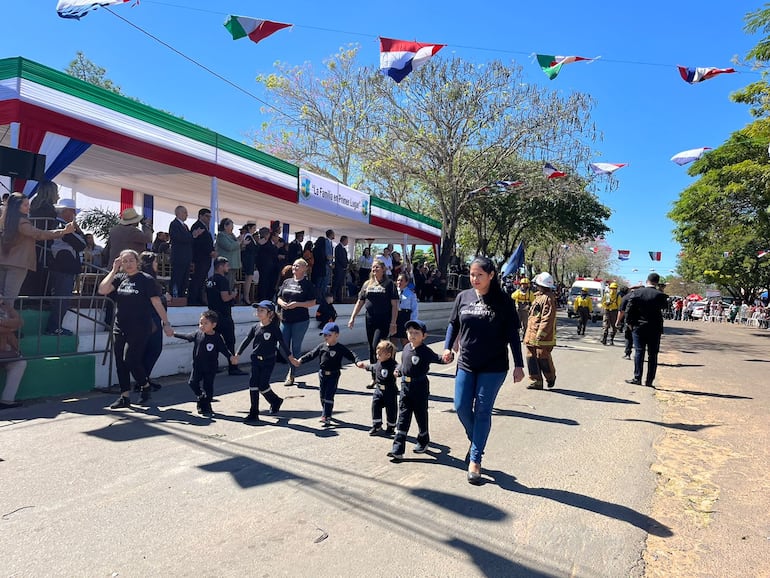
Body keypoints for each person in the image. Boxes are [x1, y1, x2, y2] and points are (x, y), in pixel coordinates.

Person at [443, 256, 525, 484]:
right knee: (460, 406)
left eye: (480, 274)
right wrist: (447, 347)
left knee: (482, 411)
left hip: (494, 366)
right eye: (472, 274)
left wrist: (519, 364)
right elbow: (453, 324)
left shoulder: (503, 301)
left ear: (491, 275)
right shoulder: (463, 297)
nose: (475, 279)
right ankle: (476, 438)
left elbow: (512, 336)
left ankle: (475, 459)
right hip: (466, 363)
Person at [98, 249, 174, 409]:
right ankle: (124, 396)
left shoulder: (145, 280)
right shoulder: (119, 279)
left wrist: (166, 323)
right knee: (120, 361)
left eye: (131, 260)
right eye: (124, 261)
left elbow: (156, 303)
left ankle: (144, 386)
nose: (128, 264)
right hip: (120, 325)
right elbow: (102, 290)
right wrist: (113, 270)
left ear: (137, 261)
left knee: (131, 359)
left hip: (141, 326)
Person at [387, 319, 450, 462]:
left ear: (424, 336)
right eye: (410, 332)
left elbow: (439, 359)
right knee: (403, 417)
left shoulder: (425, 351)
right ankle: (397, 449)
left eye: (416, 332)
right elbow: (403, 366)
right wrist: (398, 371)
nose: (412, 335)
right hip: (405, 388)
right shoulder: (406, 348)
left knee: (421, 415)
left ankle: (423, 439)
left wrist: (447, 357)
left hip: (420, 387)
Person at [0, 192, 75, 302]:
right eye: (25, 205)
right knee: (9, 299)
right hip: (18, 264)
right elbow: (39, 234)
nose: (28, 207)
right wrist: (63, 231)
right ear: (17, 207)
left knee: (3, 296)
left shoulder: (5, 221)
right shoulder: (22, 222)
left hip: (4, 262)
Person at [292, 322, 361, 426]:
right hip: (322, 374)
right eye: (325, 335)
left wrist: (357, 361)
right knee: (323, 395)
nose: (326, 337)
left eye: (329, 335)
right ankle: (326, 411)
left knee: (329, 395)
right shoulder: (322, 347)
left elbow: (351, 354)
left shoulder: (340, 348)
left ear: (336, 335)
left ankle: (326, 416)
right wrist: (300, 360)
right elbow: (311, 354)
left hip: (334, 374)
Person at [236, 300, 294, 423]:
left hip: (268, 361)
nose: (259, 312)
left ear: (270, 313)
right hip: (255, 360)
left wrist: (290, 357)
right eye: (258, 310)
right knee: (253, 385)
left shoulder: (274, 328)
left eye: (262, 310)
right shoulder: (255, 327)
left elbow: (282, 343)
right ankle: (253, 412)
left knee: (263, 385)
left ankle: (275, 401)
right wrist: (237, 354)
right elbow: (247, 340)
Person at [173, 310, 237, 417]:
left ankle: (205, 406)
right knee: (192, 383)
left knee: (208, 387)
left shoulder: (217, 337)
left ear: (213, 325)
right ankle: (201, 396)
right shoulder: (198, 334)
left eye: (205, 323)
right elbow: (187, 336)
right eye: (200, 323)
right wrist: (173, 334)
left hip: (210, 367)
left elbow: (224, 349)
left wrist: (230, 357)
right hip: (197, 366)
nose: (202, 325)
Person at [347, 259, 398, 389]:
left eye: (377, 267)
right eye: (373, 268)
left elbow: (394, 305)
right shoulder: (367, 284)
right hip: (370, 319)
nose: (374, 270)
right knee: (371, 348)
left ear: (383, 269)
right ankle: (375, 377)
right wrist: (352, 317)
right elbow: (360, 302)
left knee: (378, 346)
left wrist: (393, 322)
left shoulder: (389, 284)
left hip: (384, 320)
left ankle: (388, 375)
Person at [45, 199, 86, 336]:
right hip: (64, 267)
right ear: (65, 211)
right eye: (72, 210)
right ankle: (54, 327)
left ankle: (55, 326)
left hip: (62, 266)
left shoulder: (60, 224)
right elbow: (81, 244)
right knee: (62, 298)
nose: (74, 214)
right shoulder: (62, 226)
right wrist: (78, 231)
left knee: (61, 298)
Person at [276, 258, 316, 386]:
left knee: (296, 347)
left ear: (304, 268)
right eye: (294, 265)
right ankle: (291, 365)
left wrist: (297, 304)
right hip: (285, 318)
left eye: (298, 266)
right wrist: (282, 303)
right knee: (282, 346)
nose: (294, 267)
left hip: (300, 320)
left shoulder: (308, 284)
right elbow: (279, 297)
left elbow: (312, 302)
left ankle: (292, 373)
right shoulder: (287, 282)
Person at [624, 273, 669, 388]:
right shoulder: (660, 295)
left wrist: (629, 323)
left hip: (638, 326)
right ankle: (649, 381)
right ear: (657, 282)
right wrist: (661, 291)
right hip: (655, 327)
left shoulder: (637, 293)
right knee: (653, 355)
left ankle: (637, 377)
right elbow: (665, 307)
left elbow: (629, 308)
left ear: (647, 280)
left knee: (639, 351)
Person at [205, 256, 246, 376]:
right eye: (227, 265)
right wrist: (233, 294)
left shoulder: (209, 280)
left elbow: (205, 296)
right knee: (230, 342)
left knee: (212, 341)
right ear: (221, 266)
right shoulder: (222, 280)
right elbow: (225, 298)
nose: (228, 268)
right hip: (223, 315)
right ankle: (233, 367)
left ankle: (213, 366)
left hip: (212, 315)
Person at [139, 251, 169, 391]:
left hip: (154, 317)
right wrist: (164, 298)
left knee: (151, 350)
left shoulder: (149, 279)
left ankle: (145, 379)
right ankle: (143, 380)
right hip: (150, 318)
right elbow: (151, 300)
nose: (157, 264)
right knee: (153, 349)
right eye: (155, 262)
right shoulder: (147, 279)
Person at [356, 339, 398, 436]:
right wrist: (365, 366)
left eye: (379, 354)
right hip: (378, 390)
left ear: (388, 355)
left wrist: (398, 372)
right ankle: (377, 425)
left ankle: (391, 426)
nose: (377, 356)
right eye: (377, 354)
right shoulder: (379, 363)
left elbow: (399, 367)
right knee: (375, 406)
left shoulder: (392, 364)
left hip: (390, 391)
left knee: (391, 409)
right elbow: (373, 367)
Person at [524, 272, 558, 390]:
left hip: (542, 336)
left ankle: (550, 378)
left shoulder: (548, 298)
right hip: (531, 333)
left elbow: (547, 319)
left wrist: (540, 335)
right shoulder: (538, 296)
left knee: (542, 356)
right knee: (530, 357)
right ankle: (537, 381)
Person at [0, 296, 27, 409]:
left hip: (5, 350)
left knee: (20, 363)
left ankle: (7, 400)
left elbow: (20, 322)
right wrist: (10, 328)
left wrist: (3, 322)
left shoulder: (6, 307)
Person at [189, 208, 214, 306]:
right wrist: (209, 251)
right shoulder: (197, 226)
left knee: (202, 279)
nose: (209, 219)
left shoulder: (205, 227)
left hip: (206, 257)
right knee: (197, 279)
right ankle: (193, 299)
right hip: (200, 258)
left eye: (210, 217)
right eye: (207, 216)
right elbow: (198, 243)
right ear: (201, 216)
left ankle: (199, 298)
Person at [168, 205, 193, 299]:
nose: (186, 215)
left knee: (184, 280)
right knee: (177, 278)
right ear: (178, 213)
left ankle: (182, 297)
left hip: (186, 258)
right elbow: (178, 238)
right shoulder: (174, 224)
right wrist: (192, 236)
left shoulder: (185, 226)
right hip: (179, 257)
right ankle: (174, 296)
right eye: (184, 212)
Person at [393, 272, 419, 348]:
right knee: (393, 340)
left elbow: (414, 309)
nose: (399, 282)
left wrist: (413, 322)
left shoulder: (411, 294)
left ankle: (406, 357)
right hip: (395, 316)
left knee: (405, 340)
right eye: (398, 280)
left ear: (406, 282)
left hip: (405, 317)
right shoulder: (393, 292)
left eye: (401, 280)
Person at [215, 218, 241, 289]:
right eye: (231, 226)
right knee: (226, 284)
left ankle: (229, 298)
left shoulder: (232, 236)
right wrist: (238, 242)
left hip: (234, 264)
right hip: (227, 265)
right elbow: (229, 247)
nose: (232, 228)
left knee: (231, 284)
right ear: (225, 226)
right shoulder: (221, 235)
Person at [239, 222, 258, 305]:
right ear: (249, 228)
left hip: (250, 259)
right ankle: (246, 297)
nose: (255, 230)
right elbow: (246, 248)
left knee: (249, 279)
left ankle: (247, 296)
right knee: (248, 278)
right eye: (254, 228)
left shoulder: (250, 236)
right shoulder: (248, 236)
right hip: (248, 259)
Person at [616, 286, 636, 360]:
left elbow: (621, 311)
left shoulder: (626, 297)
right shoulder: (642, 297)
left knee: (628, 337)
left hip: (628, 321)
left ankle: (628, 354)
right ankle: (638, 355)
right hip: (640, 322)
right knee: (639, 338)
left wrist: (618, 321)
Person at [332, 235, 349, 303]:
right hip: (339, 269)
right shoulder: (338, 247)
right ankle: (333, 297)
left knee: (340, 284)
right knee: (336, 283)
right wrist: (344, 265)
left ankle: (339, 298)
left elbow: (345, 258)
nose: (347, 242)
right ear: (343, 240)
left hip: (343, 269)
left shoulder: (344, 249)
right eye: (347, 241)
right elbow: (340, 259)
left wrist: (347, 264)